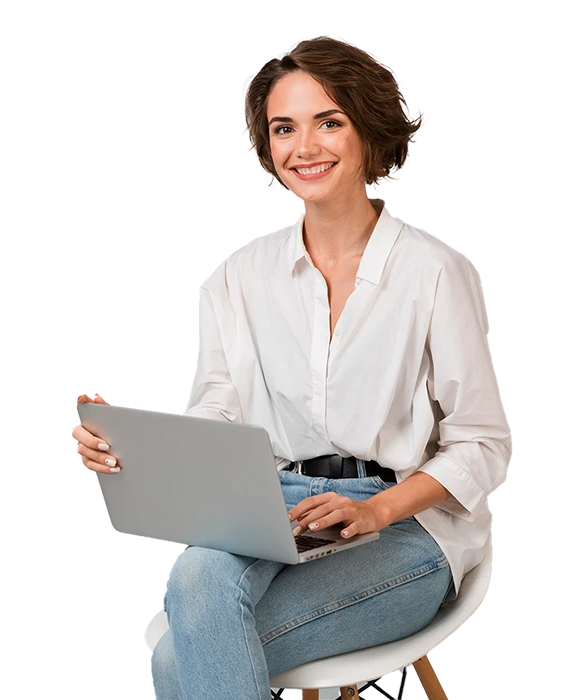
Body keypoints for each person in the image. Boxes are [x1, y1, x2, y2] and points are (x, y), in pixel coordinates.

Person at [72, 35, 512, 700]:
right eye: (284, 128)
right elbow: (218, 414)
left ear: (368, 130)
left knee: (175, 666)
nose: (304, 148)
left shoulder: (434, 274)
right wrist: (132, 448)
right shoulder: (239, 278)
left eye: (328, 122)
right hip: (272, 502)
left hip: (405, 525)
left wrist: (379, 509)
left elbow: (482, 445)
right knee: (194, 577)